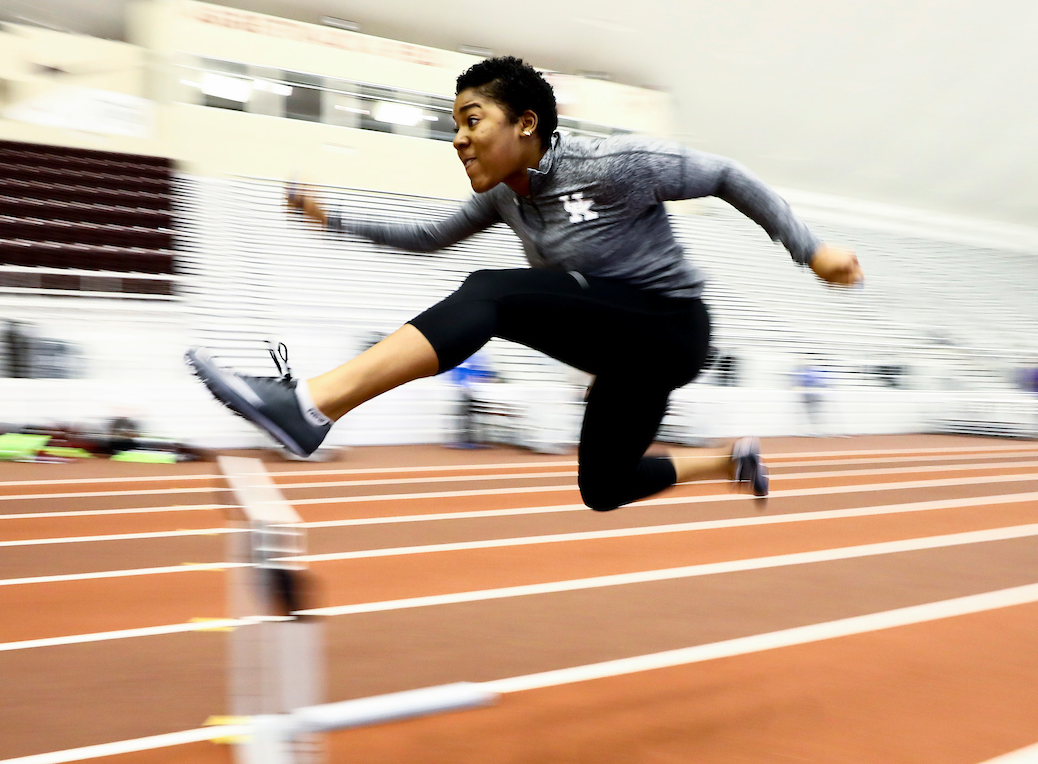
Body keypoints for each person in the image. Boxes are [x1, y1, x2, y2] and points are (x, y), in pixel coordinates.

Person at [186, 56, 863, 508]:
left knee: (493, 292)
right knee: (603, 484)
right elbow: (427, 237)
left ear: (527, 123)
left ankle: (312, 406)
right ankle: (728, 464)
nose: (458, 138)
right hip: (620, 355)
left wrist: (811, 251)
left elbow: (726, 175)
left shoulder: (614, 164)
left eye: (471, 120)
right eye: (455, 125)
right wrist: (330, 218)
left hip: (671, 326)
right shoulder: (504, 197)